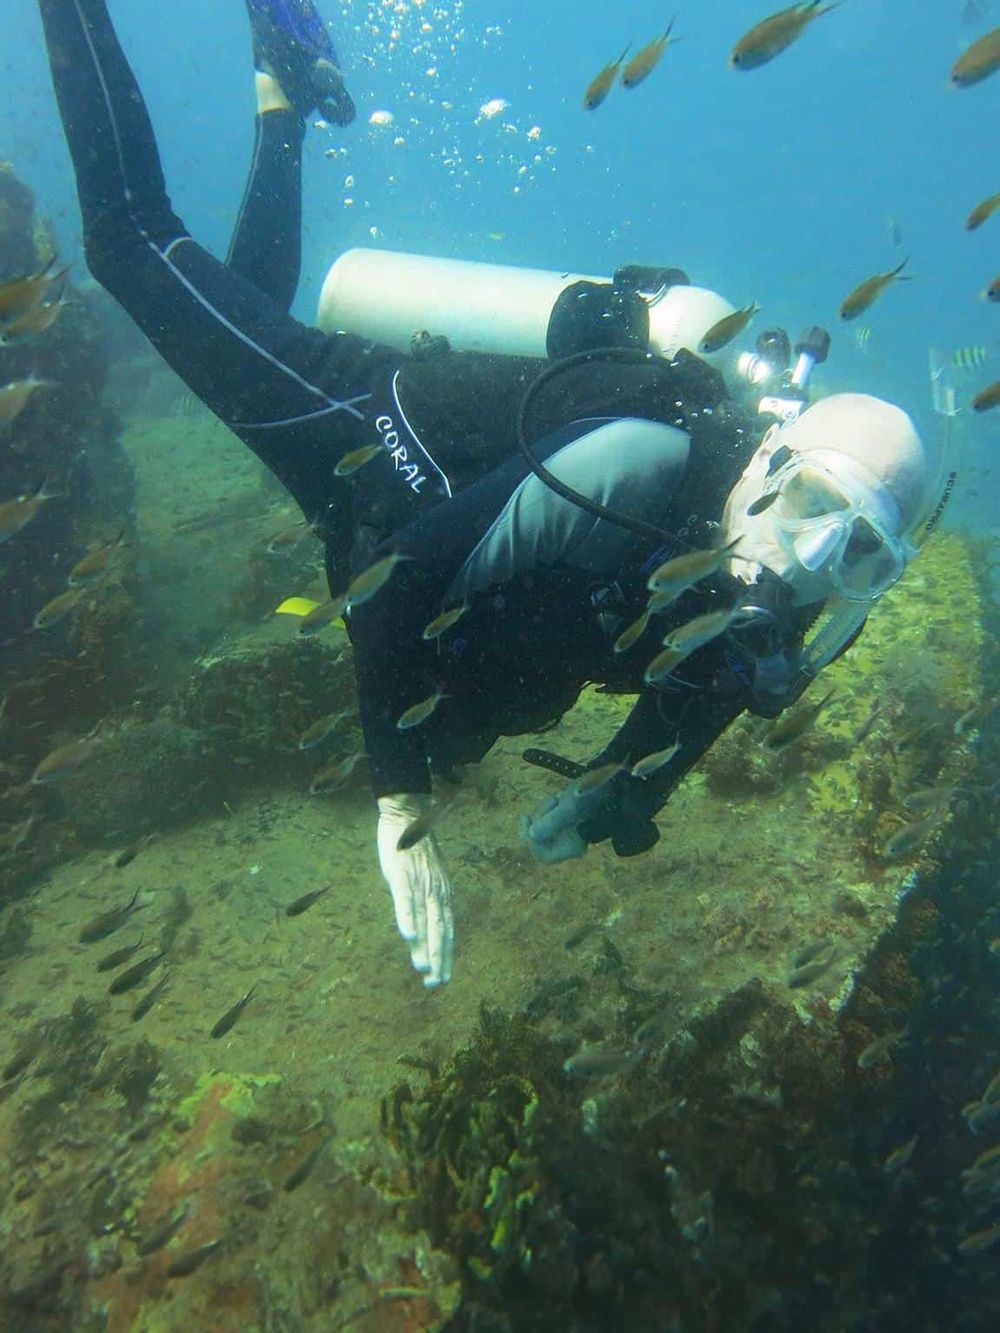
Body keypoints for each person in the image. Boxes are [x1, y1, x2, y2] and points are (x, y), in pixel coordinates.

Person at [36, 0, 929, 991]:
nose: (810, 557)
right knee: (129, 241)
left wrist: (605, 803)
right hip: (367, 436)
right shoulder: (636, 459)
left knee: (240, 306)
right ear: (768, 461)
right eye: (809, 502)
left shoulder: (765, 628)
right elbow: (394, 583)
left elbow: (669, 737)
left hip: (415, 545)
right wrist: (397, 802)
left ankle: (281, 93)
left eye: (858, 553)